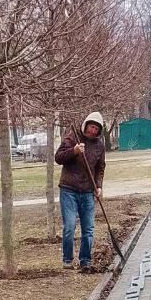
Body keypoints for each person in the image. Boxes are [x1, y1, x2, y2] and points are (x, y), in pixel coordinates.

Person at [54, 111, 106, 272]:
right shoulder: (73, 137)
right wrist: (74, 151)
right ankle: (67, 259)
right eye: (91, 127)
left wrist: (98, 186)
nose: (93, 131)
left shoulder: (99, 145)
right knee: (69, 226)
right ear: (86, 125)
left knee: (88, 229)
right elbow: (58, 158)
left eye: (96, 129)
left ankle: (85, 260)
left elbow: (100, 167)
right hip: (69, 189)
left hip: (88, 191)